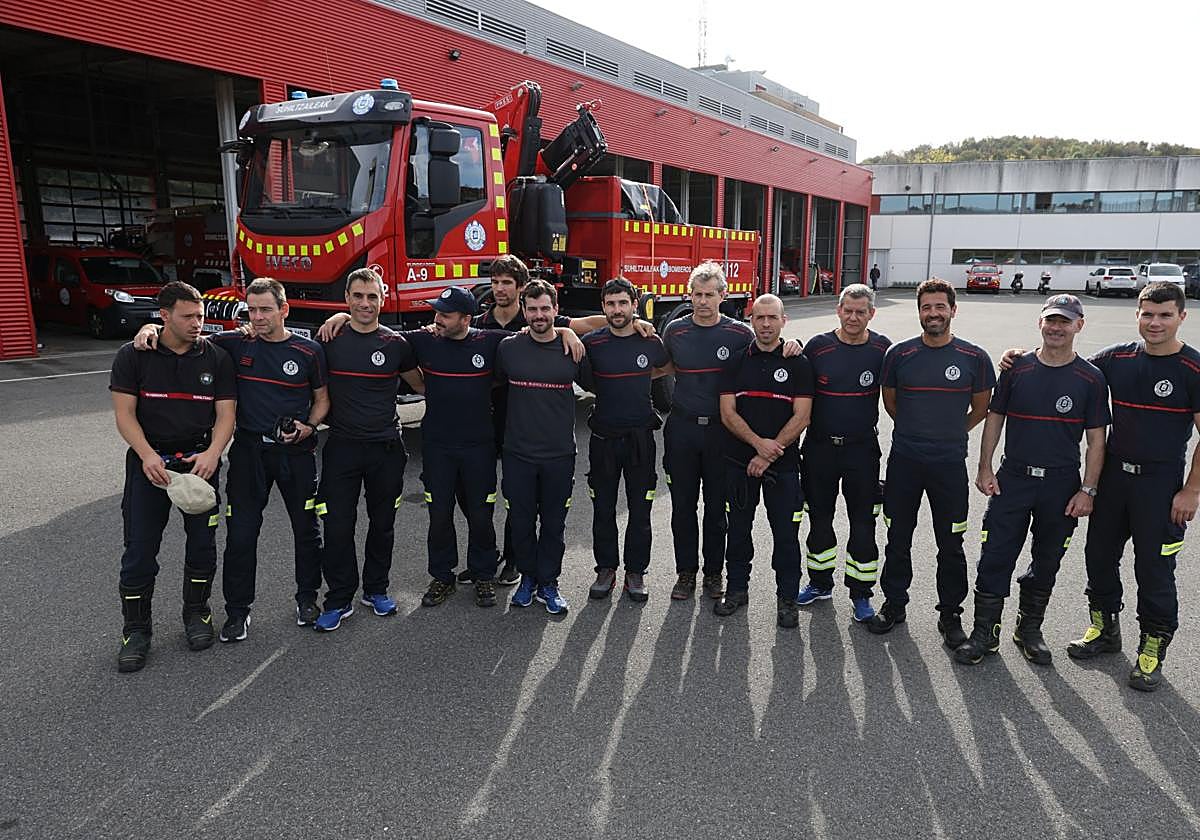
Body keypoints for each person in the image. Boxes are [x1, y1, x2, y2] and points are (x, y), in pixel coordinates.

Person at [133, 278, 329, 641]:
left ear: (284, 310)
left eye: (265, 309)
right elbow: (184, 336)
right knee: (241, 535)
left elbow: (322, 399)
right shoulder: (235, 344)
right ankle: (238, 611)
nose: (257, 317)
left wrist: (308, 426)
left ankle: (307, 599)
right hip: (249, 453)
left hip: (296, 455)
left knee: (306, 531)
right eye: (251, 310)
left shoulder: (309, 351)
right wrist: (150, 327)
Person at [464, 254, 652, 586]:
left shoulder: (559, 330)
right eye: (495, 282)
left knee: (540, 512)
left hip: (547, 431)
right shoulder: (482, 326)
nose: (500, 288)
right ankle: (485, 561)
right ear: (525, 309)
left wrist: (630, 323)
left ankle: (515, 563)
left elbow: (589, 326)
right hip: (493, 422)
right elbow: (451, 333)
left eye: (507, 282)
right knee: (487, 501)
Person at [402, 285, 582, 609]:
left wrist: (567, 331)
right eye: (437, 313)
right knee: (439, 515)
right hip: (437, 445)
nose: (437, 319)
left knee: (482, 514)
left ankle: (485, 573)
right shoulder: (424, 339)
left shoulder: (492, 342)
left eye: (445, 314)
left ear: (466, 318)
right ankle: (442, 576)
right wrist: (343, 316)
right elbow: (380, 337)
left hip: (480, 446)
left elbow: (547, 328)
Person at [955, 294, 1108, 666]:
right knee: (995, 555)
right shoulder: (1016, 368)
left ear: (1079, 325)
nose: (1056, 327)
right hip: (1014, 479)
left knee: (1048, 559)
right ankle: (985, 634)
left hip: (1060, 485)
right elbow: (994, 419)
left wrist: (1088, 489)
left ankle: (1029, 630)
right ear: (1040, 322)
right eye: (1051, 320)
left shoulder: (1090, 378)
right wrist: (985, 467)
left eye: (1065, 321)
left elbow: (1096, 440)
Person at [1063, 283, 1200, 690]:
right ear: (1137, 315)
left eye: (1164, 315)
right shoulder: (1116, 359)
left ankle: (1152, 648)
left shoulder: (1193, 369)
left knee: (1154, 569)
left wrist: (1191, 491)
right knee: (1099, 558)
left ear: (1181, 317)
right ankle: (1105, 631)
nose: (1155, 323)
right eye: (1147, 314)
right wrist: (1014, 358)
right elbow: (1068, 366)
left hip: (1160, 486)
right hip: (1113, 480)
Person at [109, 281, 236, 672]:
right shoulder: (133, 356)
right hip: (150, 466)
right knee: (139, 552)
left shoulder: (216, 357)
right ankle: (136, 630)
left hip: (199, 465)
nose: (198, 323)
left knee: (202, 546)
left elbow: (226, 414)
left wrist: (214, 453)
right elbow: (124, 415)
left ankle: (196, 614)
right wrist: (147, 456)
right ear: (163, 316)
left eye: (200, 315)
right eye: (188, 316)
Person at [868, 278, 995, 647]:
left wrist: (954, 429)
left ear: (953, 310)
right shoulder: (900, 355)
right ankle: (894, 603)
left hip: (949, 465)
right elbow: (891, 402)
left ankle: (950, 613)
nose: (934, 313)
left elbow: (982, 407)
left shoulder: (974, 358)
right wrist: (915, 429)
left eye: (941, 307)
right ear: (919, 311)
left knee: (951, 543)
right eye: (927, 307)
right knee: (897, 537)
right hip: (905, 462)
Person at [314, 268, 424, 632]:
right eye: (358, 297)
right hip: (342, 448)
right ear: (346, 299)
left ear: (383, 299)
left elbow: (422, 385)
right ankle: (339, 598)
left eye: (372, 297)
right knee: (338, 526)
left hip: (386, 449)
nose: (365, 303)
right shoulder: (328, 340)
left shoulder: (396, 344)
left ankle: (376, 589)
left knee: (383, 525)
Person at [714, 294, 814, 627]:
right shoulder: (736, 362)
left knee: (786, 536)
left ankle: (787, 599)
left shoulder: (799, 363)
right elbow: (727, 413)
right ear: (751, 320)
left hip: (783, 468)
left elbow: (802, 416)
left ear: (784, 321)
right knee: (738, 533)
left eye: (773, 317)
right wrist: (758, 446)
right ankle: (737, 590)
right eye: (760, 318)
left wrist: (769, 454)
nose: (766, 324)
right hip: (739, 464)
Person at [657, 261, 754, 601]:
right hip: (682, 429)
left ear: (722, 296)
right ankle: (686, 573)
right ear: (690, 295)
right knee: (683, 507)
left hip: (722, 433)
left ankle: (714, 574)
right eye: (697, 294)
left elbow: (766, 362)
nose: (702, 301)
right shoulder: (676, 330)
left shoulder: (741, 334)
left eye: (709, 295)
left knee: (716, 508)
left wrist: (793, 346)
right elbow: (661, 365)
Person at [797, 284, 891, 623]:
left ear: (871, 314)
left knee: (863, 523)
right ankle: (820, 583)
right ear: (838, 310)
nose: (853, 317)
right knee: (819, 519)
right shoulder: (817, 347)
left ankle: (861, 594)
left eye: (861, 312)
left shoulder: (883, 349)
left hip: (862, 450)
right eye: (848, 310)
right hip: (820, 448)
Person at [496, 279, 588, 615]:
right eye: (532, 309)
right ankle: (528, 579)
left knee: (554, 524)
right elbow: (462, 333)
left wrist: (570, 332)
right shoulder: (508, 348)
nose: (539, 315)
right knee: (520, 522)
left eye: (545, 308)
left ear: (556, 311)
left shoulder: (573, 350)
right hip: (518, 454)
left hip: (559, 454)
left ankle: (549, 583)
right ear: (523, 311)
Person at [581, 277, 670, 602]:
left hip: (639, 440)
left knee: (640, 509)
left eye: (623, 303)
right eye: (610, 303)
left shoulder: (651, 341)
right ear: (603, 307)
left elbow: (666, 366)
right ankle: (606, 569)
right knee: (603, 509)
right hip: (603, 438)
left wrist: (639, 378)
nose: (617, 310)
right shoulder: (591, 343)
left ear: (635, 305)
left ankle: (636, 572)